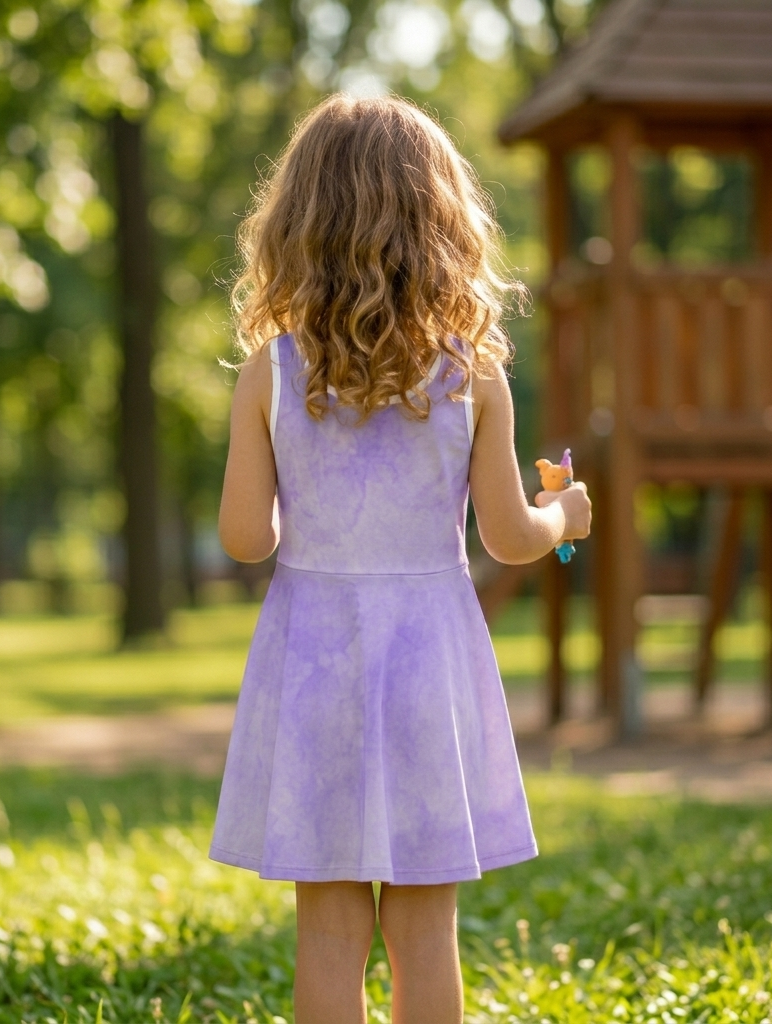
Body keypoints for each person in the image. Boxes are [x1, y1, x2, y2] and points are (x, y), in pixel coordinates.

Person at [209, 94, 592, 1024]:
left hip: (314, 668)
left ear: (298, 224)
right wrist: (565, 515)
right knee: (425, 930)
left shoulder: (274, 370)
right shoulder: (472, 372)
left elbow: (244, 539)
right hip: (431, 668)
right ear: (443, 222)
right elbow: (507, 537)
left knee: (329, 929)